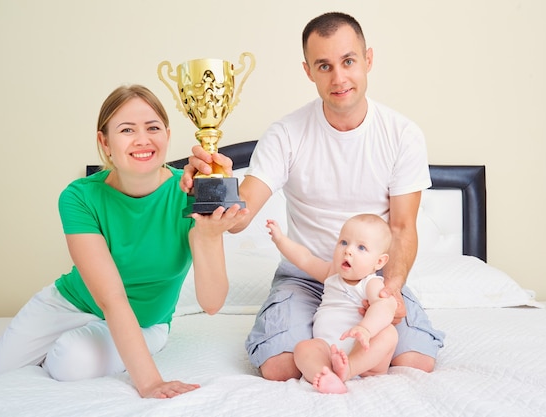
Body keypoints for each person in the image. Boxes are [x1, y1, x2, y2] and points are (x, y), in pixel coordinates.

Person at [180, 11, 445, 381]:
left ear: (368, 59)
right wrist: (215, 182)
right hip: (304, 275)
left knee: (417, 362)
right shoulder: (286, 133)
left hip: (372, 277)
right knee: (279, 367)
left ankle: (345, 365)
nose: (338, 78)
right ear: (308, 71)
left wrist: (391, 289)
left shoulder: (403, 135)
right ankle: (339, 362)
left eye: (348, 61)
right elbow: (240, 219)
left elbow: (402, 227)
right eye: (324, 66)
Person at [0, 85, 248, 399]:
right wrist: (151, 383)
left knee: (69, 362)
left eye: (152, 128)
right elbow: (111, 297)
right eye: (127, 130)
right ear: (105, 142)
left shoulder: (187, 192)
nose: (142, 139)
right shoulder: (79, 196)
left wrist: (209, 236)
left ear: (167, 135)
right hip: (68, 305)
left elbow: (212, 304)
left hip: (145, 324)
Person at [266, 214, 397, 394]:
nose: (348, 251)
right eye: (344, 242)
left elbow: (386, 307)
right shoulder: (331, 274)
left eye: (361, 247)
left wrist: (366, 329)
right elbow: (305, 259)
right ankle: (326, 374)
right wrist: (280, 240)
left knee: (389, 333)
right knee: (304, 348)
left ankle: (349, 368)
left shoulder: (371, 283)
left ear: (379, 261)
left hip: (364, 354)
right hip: (328, 348)